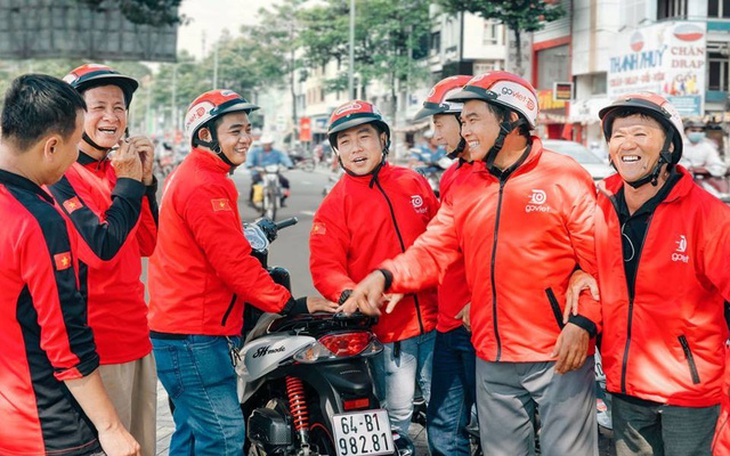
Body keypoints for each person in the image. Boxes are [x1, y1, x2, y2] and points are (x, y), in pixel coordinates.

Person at [343, 71, 601, 456]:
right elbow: (433, 248)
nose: (465, 130)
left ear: (512, 121)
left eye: (474, 118)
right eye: (462, 121)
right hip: (491, 354)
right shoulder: (465, 185)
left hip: (557, 352)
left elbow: (599, 262)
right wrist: (387, 275)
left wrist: (584, 322)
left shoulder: (565, 176)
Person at [147, 89, 335, 455]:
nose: (246, 137)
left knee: (191, 432)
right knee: (224, 437)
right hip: (194, 336)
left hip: (182, 331)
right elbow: (233, 264)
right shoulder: (206, 184)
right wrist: (290, 303)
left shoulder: (196, 176)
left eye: (248, 129)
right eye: (235, 130)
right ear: (206, 135)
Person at [567, 93, 730, 456]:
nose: (627, 144)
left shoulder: (708, 216)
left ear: (669, 145)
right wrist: (580, 274)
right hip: (626, 387)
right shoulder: (600, 206)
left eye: (640, 134)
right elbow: (585, 265)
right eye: (618, 135)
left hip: (688, 390)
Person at [0, 74, 140, 456]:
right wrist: (111, 428)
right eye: (75, 142)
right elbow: (66, 340)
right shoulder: (38, 220)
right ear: (51, 146)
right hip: (45, 424)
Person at [309, 99, 439, 443]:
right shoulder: (333, 206)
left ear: (384, 139)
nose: (356, 148)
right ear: (336, 151)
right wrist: (351, 293)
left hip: (439, 319)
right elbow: (325, 268)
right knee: (395, 418)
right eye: (345, 142)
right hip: (387, 331)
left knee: (447, 411)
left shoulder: (414, 182)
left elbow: (444, 239)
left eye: (364, 136)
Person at [48, 63, 158, 456]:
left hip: (136, 337)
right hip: (96, 350)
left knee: (142, 446)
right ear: (72, 115)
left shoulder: (118, 170)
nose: (112, 117)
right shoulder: (60, 176)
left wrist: (145, 183)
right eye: (98, 107)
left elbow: (147, 243)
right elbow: (100, 248)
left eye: (119, 107)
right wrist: (129, 183)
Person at [412, 75, 477, 456]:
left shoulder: (501, 177)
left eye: (440, 123)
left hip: (483, 324)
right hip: (448, 322)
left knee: (496, 429)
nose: (436, 136)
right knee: (442, 427)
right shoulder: (452, 175)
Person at [245, 134, 293, 206]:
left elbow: (284, 159)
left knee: (285, 182)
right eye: (265, 144)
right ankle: (251, 200)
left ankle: (282, 199)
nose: (267, 146)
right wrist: (250, 165)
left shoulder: (277, 152)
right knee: (255, 183)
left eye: (269, 144)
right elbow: (249, 159)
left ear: (271, 144)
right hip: (259, 172)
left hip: (274, 173)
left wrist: (289, 165)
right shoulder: (255, 152)